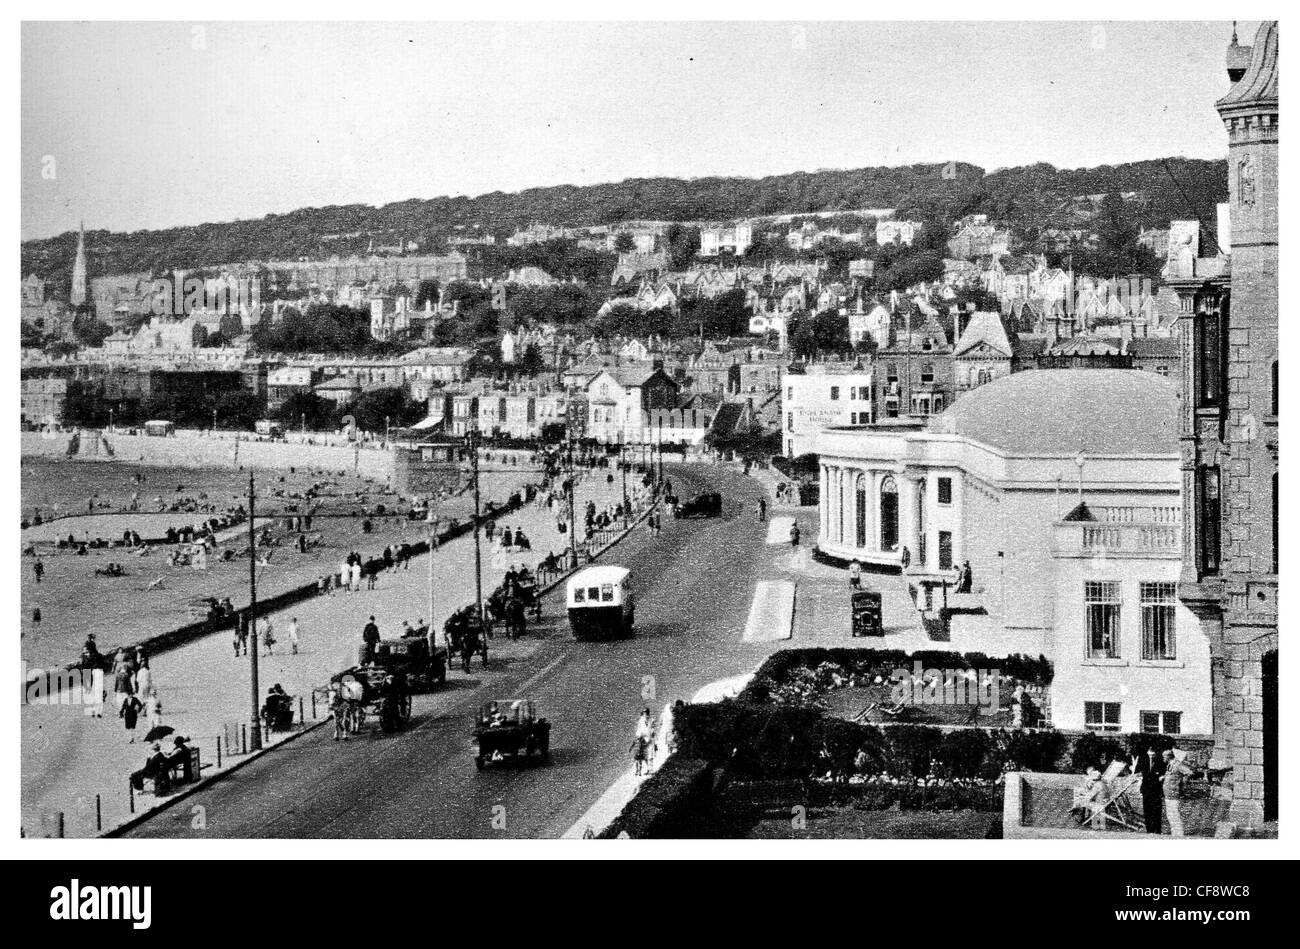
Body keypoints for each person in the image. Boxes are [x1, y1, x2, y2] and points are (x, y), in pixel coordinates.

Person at [1135, 744, 1167, 834]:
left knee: (1157, 810)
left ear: (1156, 754)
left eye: (1153, 755)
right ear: (1147, 753)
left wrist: (1161, 776)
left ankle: (1157, 830)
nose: (1151, 756)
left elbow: (1164, 773)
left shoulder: (1160, 761)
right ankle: (1149, 829)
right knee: (1147, 809)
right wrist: (1139, 776)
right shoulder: (1142, 760)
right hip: (1146, 789)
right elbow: (1137, 772)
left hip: (1156, 790)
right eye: (1150, 755)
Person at [1162, 749, 1194, 837]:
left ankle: (1179, 833)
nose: (1163, 758)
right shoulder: (1170, 764)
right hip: (1168, 792)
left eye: (1164, 757)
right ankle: (1174, 832)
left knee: (1174, 813)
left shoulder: (1178, 764)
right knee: (1170, 814)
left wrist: (1183, 781)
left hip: (1174, 792)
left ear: (1168, 757)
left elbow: (1189, 772)